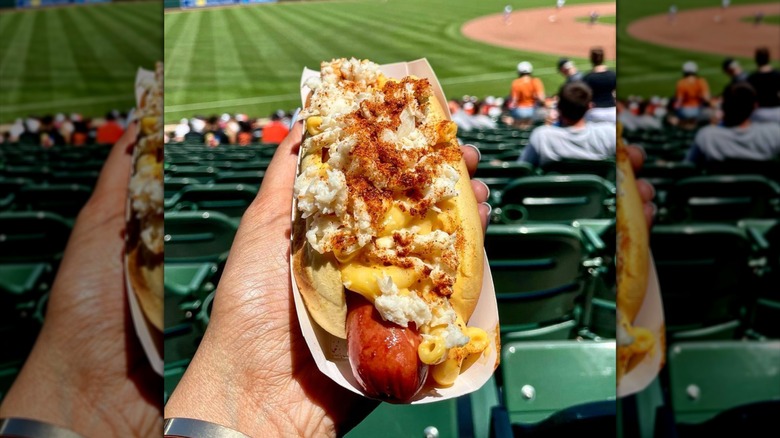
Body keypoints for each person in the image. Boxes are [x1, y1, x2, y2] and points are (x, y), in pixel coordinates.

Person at [518, 81, 615, 167]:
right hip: (597, 187)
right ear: (589, 107)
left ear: (559, 108)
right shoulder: (609, 133)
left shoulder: (542, 136)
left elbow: (522, 169)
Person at [686, 82, 780, 164]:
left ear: (723, 106)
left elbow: (687, 168)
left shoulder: (706, 137)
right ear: (755, 106)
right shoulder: (774, 134)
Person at [582, 47, 617, 124]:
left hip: (595, 112)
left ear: (591, 59)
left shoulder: (588, 77)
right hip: (612, 111)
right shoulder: (613, 75)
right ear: (603, 58)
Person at [674, 61, 711, 130]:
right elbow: (707, 99)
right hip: (698, 111)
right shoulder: (701, 81)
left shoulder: (681, 82)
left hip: (685, 111)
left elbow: (678, 101)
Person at [747, 47, 780, 123]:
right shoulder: (777, 75)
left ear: (756, 59)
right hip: (777, 111)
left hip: (760, 113)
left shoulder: (753, 77)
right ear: (768, 58)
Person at [508, 61, 546, 128]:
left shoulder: (516, 82)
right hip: (533, 111)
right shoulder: (536, 81)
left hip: (519, 111)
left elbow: (513, 101)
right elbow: (541, 99)